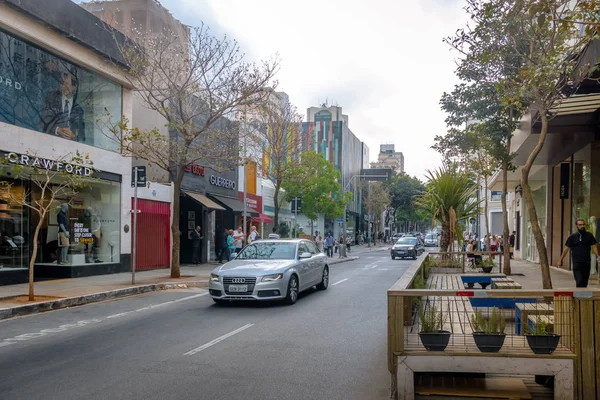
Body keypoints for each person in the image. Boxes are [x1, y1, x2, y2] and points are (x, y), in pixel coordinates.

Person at [40, 66, 85, 141]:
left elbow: (82, 136)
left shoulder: (79, 110)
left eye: (67, 84)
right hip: (50, 142)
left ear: (74, 87)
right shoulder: (51, 98)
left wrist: (73, 136)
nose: (64, 87)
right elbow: (42, 122)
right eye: (62, 83)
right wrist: (57, 130)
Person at [558, 219, 599, 287]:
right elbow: (566, 248)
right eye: (580, 225)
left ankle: (582, 296)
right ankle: (579, 296)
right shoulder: (572, 237)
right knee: (579, 281)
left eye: (583, 224)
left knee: (585, 282)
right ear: (576, 226)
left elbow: (594, 246)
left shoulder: (589, 235)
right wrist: (561, 259)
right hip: (577, 263)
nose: (582, 226)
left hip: (587, 262)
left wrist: (597, 256)